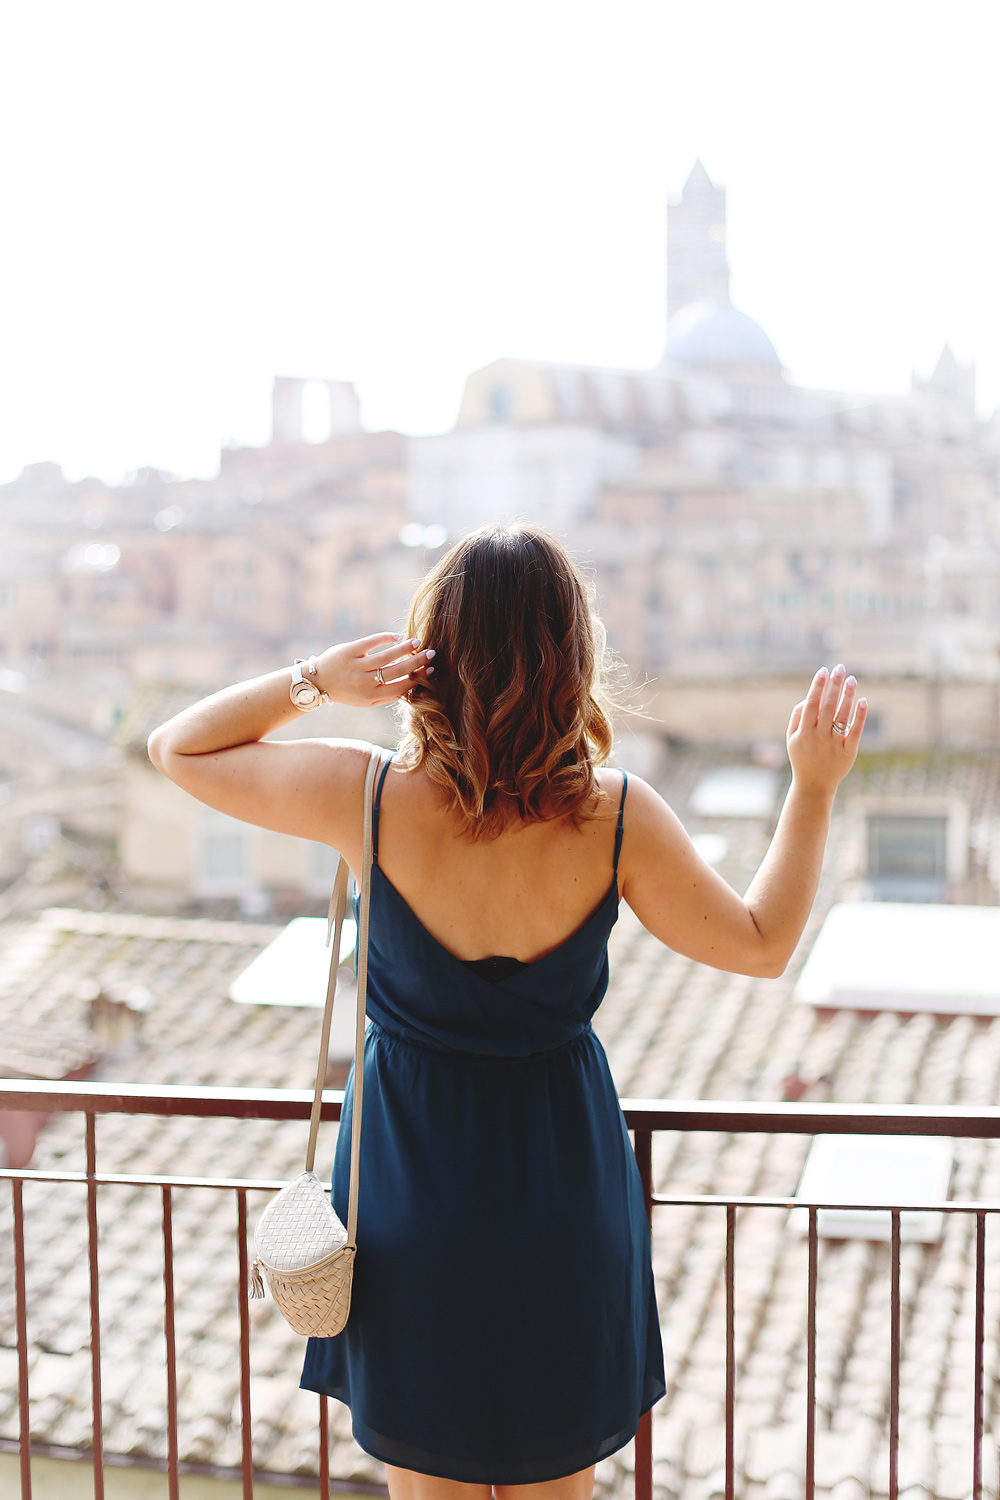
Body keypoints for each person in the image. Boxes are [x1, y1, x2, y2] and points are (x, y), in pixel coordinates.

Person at [148, 523, 866, 1500]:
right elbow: (761, 943)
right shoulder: (616, 816)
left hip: (407, 1198)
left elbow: (177, 748)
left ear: (426, 654)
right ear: (571, 657)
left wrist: (317, 678)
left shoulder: (363, 799)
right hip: (562, 1195)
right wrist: (812, 791)